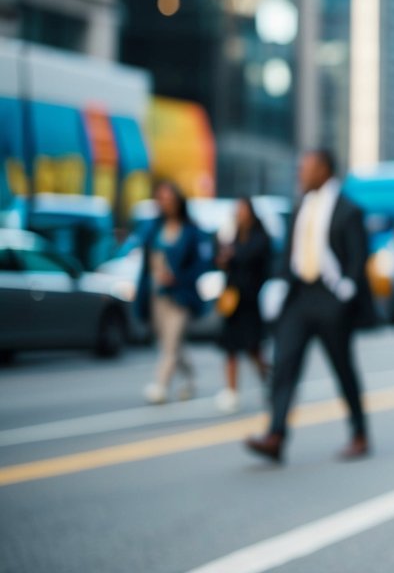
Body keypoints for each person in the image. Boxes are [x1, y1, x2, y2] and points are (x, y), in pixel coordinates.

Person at [245, 149, 377, 462]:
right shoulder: (300, 205)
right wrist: (278, 285)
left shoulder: (348, 210)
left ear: (325, 170)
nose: (300, 173)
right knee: (284, 366)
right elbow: (290, 253)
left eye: (306, 167)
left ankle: (359, 433)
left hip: (331, 299)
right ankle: (276, 434)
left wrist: (347, 291)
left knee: (343, 368)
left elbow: (358, 258)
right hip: (298, 298)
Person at [135, 181, 213, 404]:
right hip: (157, 295)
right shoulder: (153, 228)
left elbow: (201, 263)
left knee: (171, 343)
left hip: (180, 296)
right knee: (171, 344)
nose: (165, 203)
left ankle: (160, 385)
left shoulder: (191, 230)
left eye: (169, 199)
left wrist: (179, 278)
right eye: (161, 199)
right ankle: (190, 378)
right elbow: (145, 262)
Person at [213, 198, 272, 412]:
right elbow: (219, 257)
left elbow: (258, 261)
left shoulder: (260, 237)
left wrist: (235, 255)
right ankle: (231, 391)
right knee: (230, 347)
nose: (239, 213)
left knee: (253, 347)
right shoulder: (232, 234)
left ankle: (269, 379)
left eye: (243, 209)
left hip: (249, 299)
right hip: (232, 297)